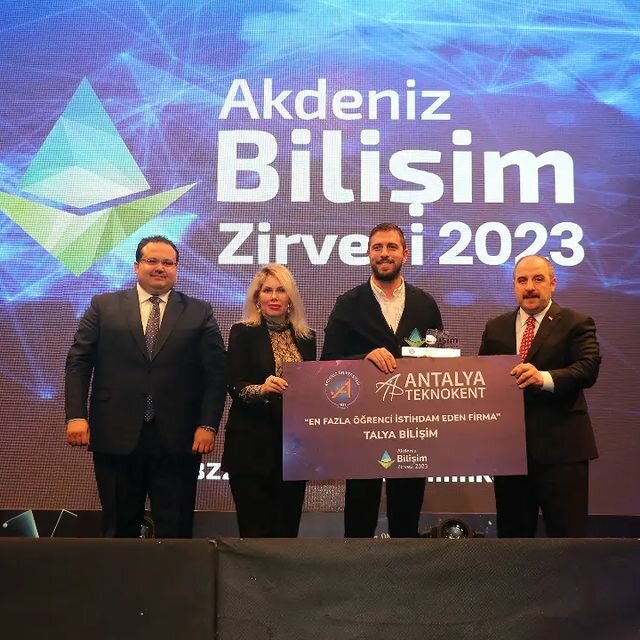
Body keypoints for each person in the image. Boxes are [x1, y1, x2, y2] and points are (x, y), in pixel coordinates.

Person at [65, 235, 227, 538]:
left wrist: (208, 425)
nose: (160, 267)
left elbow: (216, 374)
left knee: (176, 530)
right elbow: (78, 362)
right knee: (118, 528)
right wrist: (76, 415)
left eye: (168, 262)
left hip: (179, 438)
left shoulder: (199, 311)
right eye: (152, 261)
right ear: (136, 266)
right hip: (115, 432)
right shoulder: (103, 306)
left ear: (176, 268)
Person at [321, 223, 443, 538]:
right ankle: (356, 570)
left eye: (391, 247)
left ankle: (405, 569)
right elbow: (327, 364)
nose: (384, 254)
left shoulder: (425, 304)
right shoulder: (348, 303)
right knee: (359, 521)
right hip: (362, 428)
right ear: (368, 254)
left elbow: (439, 361)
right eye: (377, 247)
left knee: (406, 521)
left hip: (412, 427)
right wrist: (364, 358)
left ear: (405, 253)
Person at [479, 254, 601, 537]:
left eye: (538, 279)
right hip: (510, 454)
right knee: (513, 541)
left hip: (562, 453)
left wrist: (543, 378)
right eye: (522, 281)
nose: (530, 287)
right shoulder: (495, 327)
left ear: (553, 283)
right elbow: (484, 379)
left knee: (568, 539)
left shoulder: (576, 322)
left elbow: (588, 368)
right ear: (514, 286)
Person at [221, 264, 316, 537]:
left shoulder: (306, 338)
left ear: (290, 298)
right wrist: (261, 389)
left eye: (281, 290)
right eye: (267, 290)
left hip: (293, 451)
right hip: (250, 448)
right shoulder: (242, 332)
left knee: (287, 532)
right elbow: (234, 384)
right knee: (254, 533)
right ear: (257, 298)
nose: (274, 297)